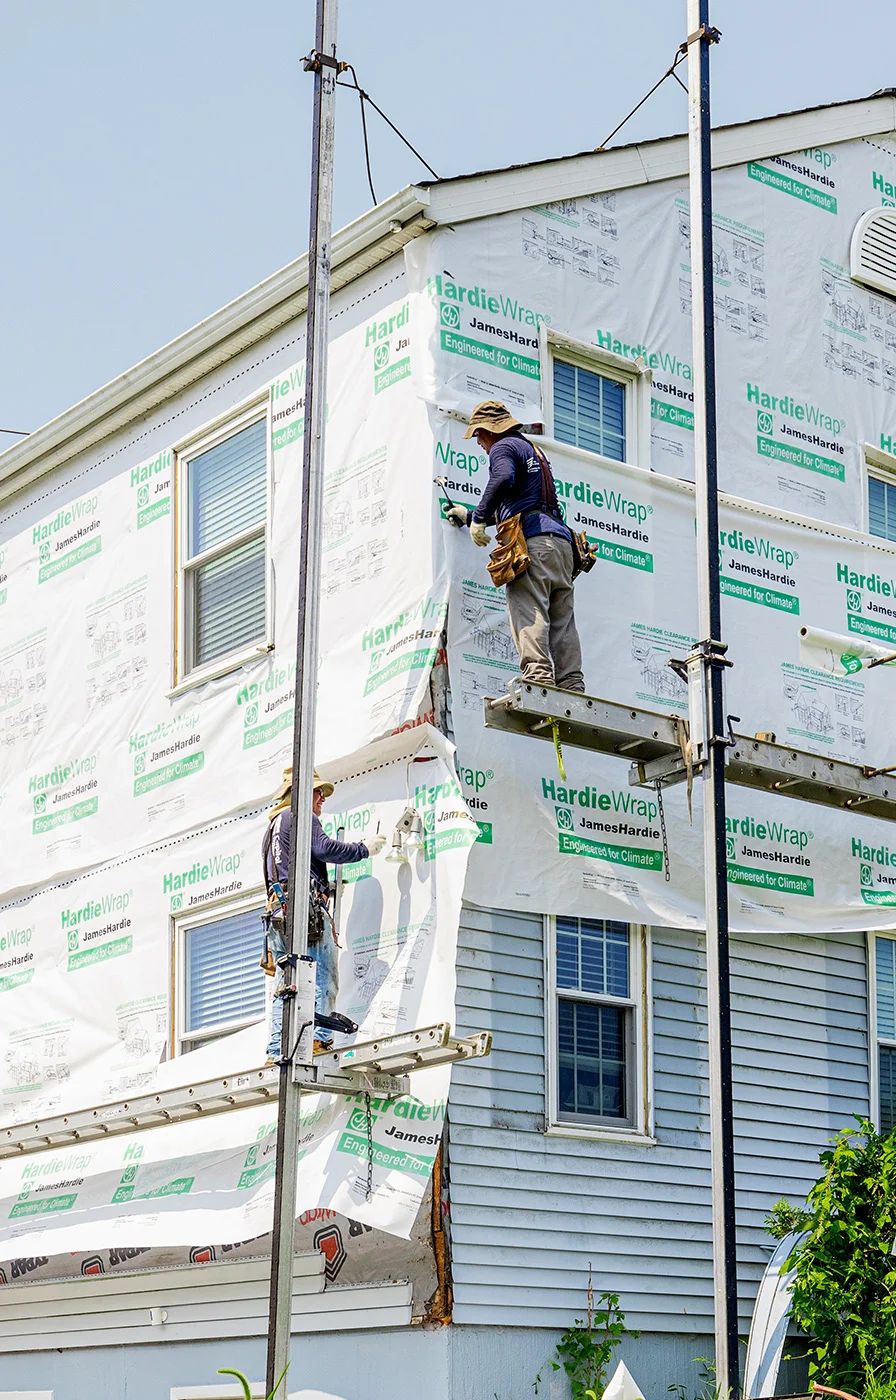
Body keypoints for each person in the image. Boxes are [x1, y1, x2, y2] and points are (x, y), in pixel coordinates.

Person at [447, 400, 585, 692]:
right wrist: (469, 516)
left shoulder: (503, 447)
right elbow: (523, 501)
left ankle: (537, 676)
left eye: (478, 436)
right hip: (560, 545)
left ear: (489, 430)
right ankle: (572, 683)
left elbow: (503, 477)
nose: (479, 443)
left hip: (534, 544)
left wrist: (481, 518)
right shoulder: (531, 449)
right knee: (562, 618)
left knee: (528, 605)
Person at [262, 767, 386, 1061]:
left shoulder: (273, 828)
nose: (322, 799)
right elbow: (324, 847)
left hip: (279, 913)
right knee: (322, 978)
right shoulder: (300, 815)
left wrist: (325, 883)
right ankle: (318, 1040)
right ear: (300, 792)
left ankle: (275, 1049)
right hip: (305, 911)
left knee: (287, 983)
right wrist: (363, 849)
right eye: (317, 792)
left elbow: (284, 870)